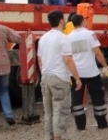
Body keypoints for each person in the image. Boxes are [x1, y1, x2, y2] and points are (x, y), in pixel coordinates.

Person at [37, 10, 82, 140]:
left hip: (45, 76)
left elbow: (40, 59)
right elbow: (68, 59)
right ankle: (58, 137)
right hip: (59, 77)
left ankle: (48, 136)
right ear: (61, 21)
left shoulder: (43, 38)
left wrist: (45, 72)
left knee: (48, 111)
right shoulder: (63, 38)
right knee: (60, 110)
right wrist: (77, 78)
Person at [67, 14, 108, 130]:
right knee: (97, 97)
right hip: (91, 72)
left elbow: (68, 57)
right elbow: (97, 53)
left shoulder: (68, 37)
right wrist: (105, 66)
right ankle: (102, 122)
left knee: (77, 98)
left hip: (76, 73)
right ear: (82, 21)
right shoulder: (89, 34)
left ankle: (80, 125)